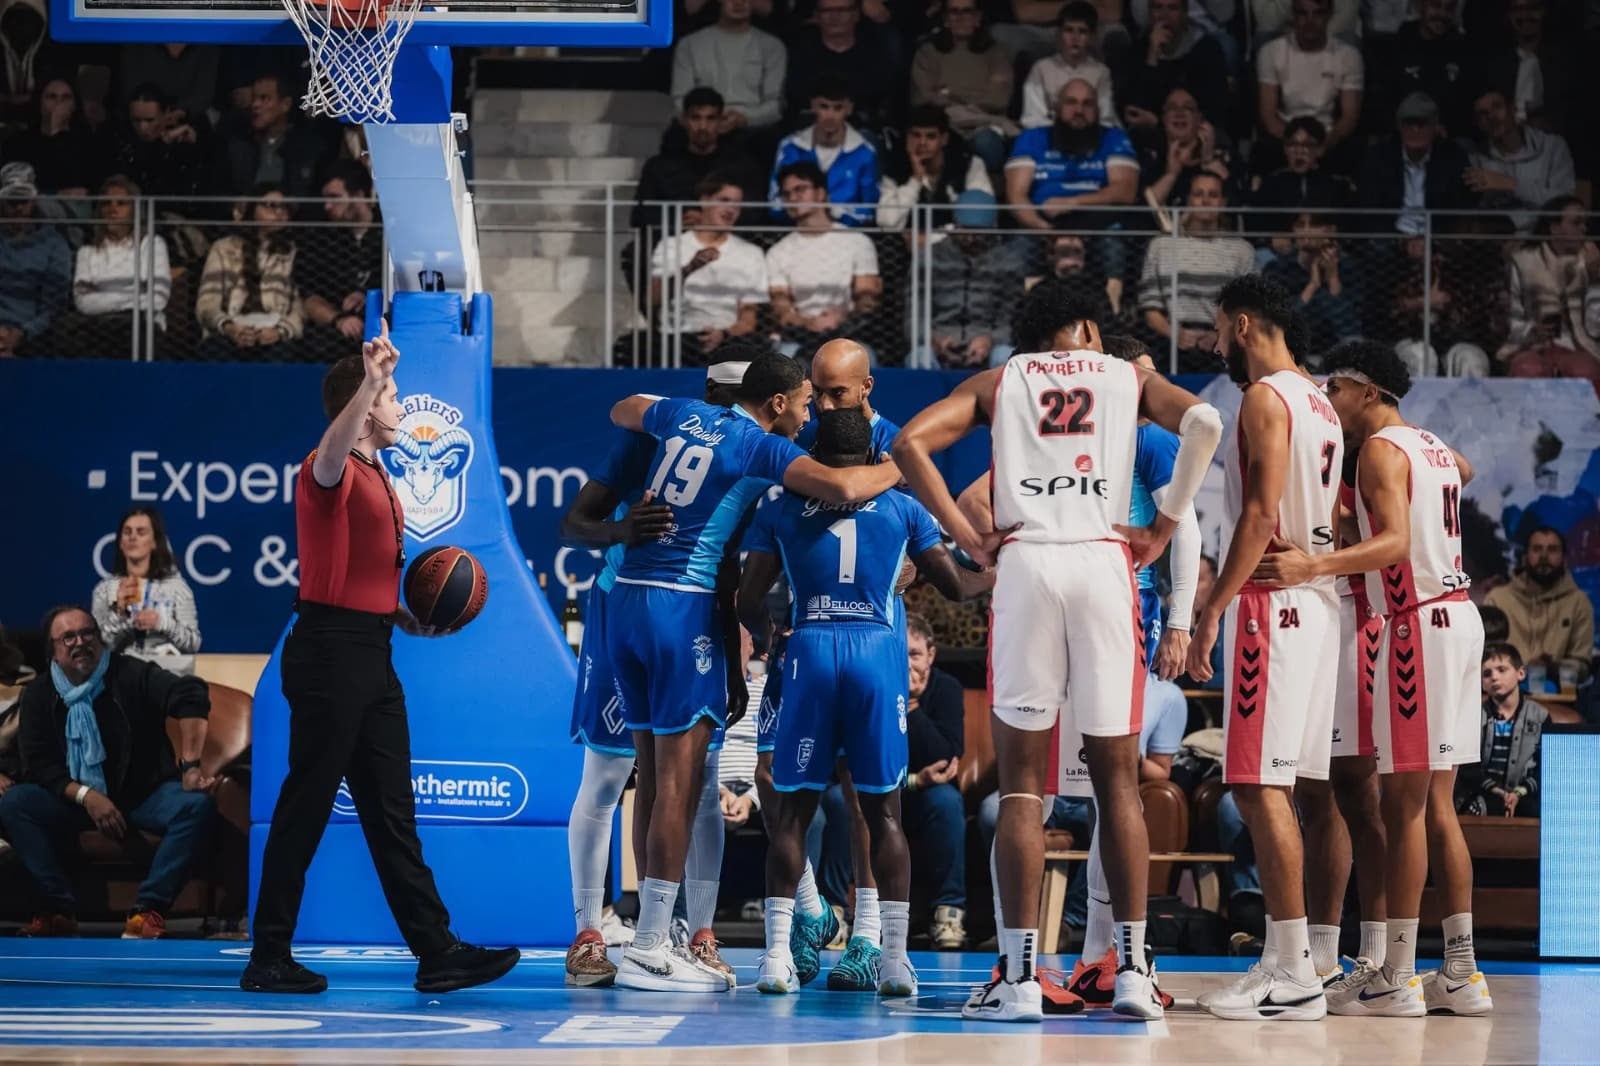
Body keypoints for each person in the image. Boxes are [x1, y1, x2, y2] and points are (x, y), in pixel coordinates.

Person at [894, 283, 1222, 1022]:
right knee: (1119, 785)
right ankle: (1131, 970)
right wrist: (1163, 531)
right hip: (1106, 565)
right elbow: (1205, 421)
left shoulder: (1001, 379)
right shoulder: (1125, 378)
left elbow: (907, 444)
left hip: (1029, 565)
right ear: (1081, 327)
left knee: (1020, 789)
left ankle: (1017, 979)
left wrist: (967, 533)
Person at [605, 351, 905, 992]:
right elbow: (847, 489)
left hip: (626, 600)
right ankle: (652, 945)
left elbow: (623, 407)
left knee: (654, 780)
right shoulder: (761, 447)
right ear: (776, 404)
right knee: (683, 787)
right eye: (804, 401)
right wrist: (911, 465)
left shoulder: (687, 412)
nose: (810, 414)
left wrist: (675, 423)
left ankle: (669, 937)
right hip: (681, 607)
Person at [245, 325, 520, 995]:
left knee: (392, 812)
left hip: (368, 649)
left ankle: (437, 952)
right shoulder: (328, 468)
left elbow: (353, 569)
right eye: (393, 397)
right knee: (306, 804)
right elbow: (333, 449)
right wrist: (371, 379)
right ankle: (269, 956)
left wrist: (395, 614)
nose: (401, 407)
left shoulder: (379, 476)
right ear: (365, 407)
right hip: (328, 654)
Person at [1253, 337, 1491, 1017]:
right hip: (1459, 614)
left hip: (1415, 621)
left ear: (1370, 392)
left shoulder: (1383, 451)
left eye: (1336, 386)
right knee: (1437, 807)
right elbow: (1461, 474)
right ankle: (1462, 972)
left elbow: (1394, 545)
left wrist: (1314, 565)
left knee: (1404, 805)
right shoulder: (1429, 447)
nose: (1327, 397)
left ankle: (1397, 973)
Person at [738, 408, 993, 996]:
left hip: (810, 649)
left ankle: (776, 956)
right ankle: (895, 960)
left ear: (816, 456)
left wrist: (776, 639)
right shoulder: (903, 508)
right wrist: (1001, 569)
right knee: (883, 812)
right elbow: (956, 585)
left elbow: (751, 597)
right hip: (879, 654)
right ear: (873, 454)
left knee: (794, 809)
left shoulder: (781, 503)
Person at [558, 356, 759, 989]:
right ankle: (590, 931)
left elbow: (728, 569)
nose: (729, 413)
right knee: (609, 773)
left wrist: (731, 656)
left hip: (694, 616)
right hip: (622, 607)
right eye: (723, 399)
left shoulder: (755, 450)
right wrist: (623, 528)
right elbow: (573, 524)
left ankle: (692, 932)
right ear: (705, 397)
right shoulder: (654, 435)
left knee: (695, 778)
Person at [1184, 274, 1344, 1021]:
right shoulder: (1323, 402)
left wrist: (1212, 608)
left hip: (1272, 603)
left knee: (1257, 785)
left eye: (1218, 329)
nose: (1217, 344)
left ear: (1244, 324)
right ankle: (1305, 958)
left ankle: (1289, 969)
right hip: (1317, 603)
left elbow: (1257, 515)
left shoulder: (1264, 397)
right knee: (1295, 788)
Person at [1, 606, 213, 939]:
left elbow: (191, 693)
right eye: (67, 637)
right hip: (75, 800)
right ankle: (59, 911)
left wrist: (190, 766)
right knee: (15, 802)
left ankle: (148, 911)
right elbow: (38, 766)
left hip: (142, 795)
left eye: (87, 633)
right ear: (52, 650)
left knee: (195, 806)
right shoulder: (39, 694)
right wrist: (88, 797)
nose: (79, 642)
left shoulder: (130, 674)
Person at [1004, 79, 1138, 287]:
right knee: (1021, 245)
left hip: (1097, 225)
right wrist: (1048, 231)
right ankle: (1032, 312)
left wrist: (1071, 202)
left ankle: (1112, 313)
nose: (1079, 110)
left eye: (1087, 104)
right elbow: (1016, 197)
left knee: (1113, 244)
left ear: (1098, 109)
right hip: (1043, 225)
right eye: (1071, 102)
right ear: (1056, 108)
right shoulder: (1032, 138)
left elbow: (1125, 192)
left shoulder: (1113, 138)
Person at [1137, 172, 1255, 372]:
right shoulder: (1161, 246)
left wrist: (1222, 336)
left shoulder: (1242, 250)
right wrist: (1175, 333)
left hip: (1225, 347)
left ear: (1223, 202)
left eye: (1213, 194)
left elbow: (1250, 307)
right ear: (1189, 200)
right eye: (1199, 194)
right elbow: (1150, 305)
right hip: (1170, 346)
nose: (1205, 200)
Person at [649, 172, 769, 364]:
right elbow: (653, 299)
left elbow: (748, 317)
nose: (731, 210)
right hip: (678, 337)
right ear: (704, 201)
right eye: (724, 200)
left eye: (736, 204)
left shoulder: (751, 253)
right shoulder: (672, 246)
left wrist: (724, 334)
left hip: (727, 338)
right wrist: (689, 269)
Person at [766, 162, 882, 353]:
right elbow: (780, 305)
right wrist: (808, 322)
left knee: (865, 358)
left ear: (821, 193)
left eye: (800, 190)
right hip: (797, 337)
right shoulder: (777, 252)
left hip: (848, 333)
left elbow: (867, 295)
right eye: (787, 194)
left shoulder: (857, 241)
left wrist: (841, 316)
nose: (793, 198)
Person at [60, 175, 172, 360]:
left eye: (121, 203)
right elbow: (82, 301)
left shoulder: (152, 244)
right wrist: (132, 296)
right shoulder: (86, 251)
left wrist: (103, 296)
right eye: (106, 204)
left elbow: (158, 299)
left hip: (141, 324)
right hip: (98, 325)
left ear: (134, 209)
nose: (113, 209)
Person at [1253, 0, 1363, 176]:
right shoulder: (1271, 52)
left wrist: (1322, 144)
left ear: (1329, 15)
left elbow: (1349, 116)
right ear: (1293, 15)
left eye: (1318, 13)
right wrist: (1296, 145)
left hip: (1327, 136)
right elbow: (1268, 113)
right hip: (1286, 134)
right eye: (1302, 14)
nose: (1310, 21)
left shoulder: (1348, 56)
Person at [194, 185, 303, 361]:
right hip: (231, 326)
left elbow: (298, 307)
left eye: (284, 207)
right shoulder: (223, 248)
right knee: (215, 351)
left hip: (273, 328)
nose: (279, 212)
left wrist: (280, 331)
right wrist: (230, 328)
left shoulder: (292, 252)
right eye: (270, 205)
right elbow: (207, 302)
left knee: (282, 355)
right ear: (252, 209)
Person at [90, 505, 200, 674]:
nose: (133, 537)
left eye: (141, 532)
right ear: (120, 542)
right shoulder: (104, 590)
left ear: (155, 542)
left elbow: (193, 644)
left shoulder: (177, 588)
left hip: (168, 676)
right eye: (127, 532)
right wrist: (121, 613)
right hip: (121, 677)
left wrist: (162, 623)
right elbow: (99, 646)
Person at [910, 0, 1016, 171]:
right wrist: (972, 101)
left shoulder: (996, 53)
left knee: (986, 142)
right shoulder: (927, 53)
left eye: (967, 11)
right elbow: (923, 98)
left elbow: (999, 99)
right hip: (944, 124)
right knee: (939, 140)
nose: (960, 17)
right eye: (954, 12)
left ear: (977, 17)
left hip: (985, 126)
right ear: (945, 19)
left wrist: (950, 94)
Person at [1484, 526, 1595, 687]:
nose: (1544, 556)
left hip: (1561, 699)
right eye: (1537, 549)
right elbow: (1486, 658)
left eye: (1552, 550)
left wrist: (1553, 669)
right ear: (1525, 556)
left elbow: (1583, 665)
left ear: (1564, 558)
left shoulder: (1579, 602)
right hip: (1505, 696)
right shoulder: (1498, 599)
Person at [295, 162, 383, 359]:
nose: (327, 206)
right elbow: (309, 296)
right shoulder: (321, 240)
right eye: (326, 199)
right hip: (337, 328)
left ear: (359, 195)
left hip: (382, 321)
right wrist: (339, 319)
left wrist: (367, 295)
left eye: (335, 198)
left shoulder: (388, 234)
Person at [1356, 93, 1473, 238]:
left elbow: (1459, 211)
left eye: (1422, 123)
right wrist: (1402, 243)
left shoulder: (1453, 157)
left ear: (1435, 126)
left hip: (1439, 243)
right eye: (1409, 123)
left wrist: (1433, 244)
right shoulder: (1378, 158)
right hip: (1389, 243)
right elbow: (1370, 214)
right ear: (1399, 126)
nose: (1415, 130)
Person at [769, 76, 879, 228]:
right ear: (812, 106)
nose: (830, 116)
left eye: (838, 108)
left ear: (849, 109)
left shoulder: (865, 153)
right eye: (824, 106)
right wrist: (809, 212)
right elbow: (774, 205)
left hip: (846, 238)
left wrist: (832, 211)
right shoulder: (789, 147)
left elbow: (871, 211)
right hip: (795, 233)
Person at [1466, 84, 1576, 233]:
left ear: (1513, 109)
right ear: (1478, 123)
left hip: (1543, 237)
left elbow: (1565, 204)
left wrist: (1512, 185)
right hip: (1498, 241)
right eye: (1483, 114)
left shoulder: (1553, 147)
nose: (1491, 117)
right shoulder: (1476, 156)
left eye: (1497, 107)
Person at [670, 0, 787, 139]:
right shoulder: (689, 44)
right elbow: (679, 100)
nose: (739, 3)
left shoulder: (772, 46)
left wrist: (744, 119)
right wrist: (708, 121)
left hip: (754, 132)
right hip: (700, 128)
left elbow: (775, 105)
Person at [1458, 643, 1546, 817]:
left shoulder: (1540, 716)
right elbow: (1467, 767)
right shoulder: (1474, 715)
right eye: (1487, 674)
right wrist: (1499, 792)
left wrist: (1519, 793)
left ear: (1521, 673)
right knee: (1475, 808)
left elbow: (1545, 766)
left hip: (1525, 793)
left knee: (1536, 810)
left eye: (1502, 670)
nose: (1494, 677)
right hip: (1486, 792)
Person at [216, 72, 335, 199]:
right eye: (253, 98)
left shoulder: (309, 148)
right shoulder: (238, 147)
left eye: (264, 98)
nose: (255, 105)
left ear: (286, 105)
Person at [876, 105, 993, 232]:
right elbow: (887, 224)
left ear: (944, 139)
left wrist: (931, 240)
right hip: (905, 249)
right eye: (916, 135)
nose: (922, 143)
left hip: (957, 248)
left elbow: (980, 222)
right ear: (907, 138)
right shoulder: (894, 169)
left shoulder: (970, 164)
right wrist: (915, 180)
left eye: (930, 136)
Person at [0, 169, 70, 358]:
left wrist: (24, 332)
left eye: (24, 201)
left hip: (37, 333)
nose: (18, 208)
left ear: (34, 201)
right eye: (12, 201)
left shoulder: (54, 243)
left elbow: (55, 302)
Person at [1019, 2, 1115, 130]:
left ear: (1092, 37)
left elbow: (1105, 118)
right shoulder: (1041, 68)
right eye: (1069, 30)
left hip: (1089, 138)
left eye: (1082, 31)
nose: (1075, 38)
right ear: (1059, 34)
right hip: (1049, 137)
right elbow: (1031, 118)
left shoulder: (1101, 72)